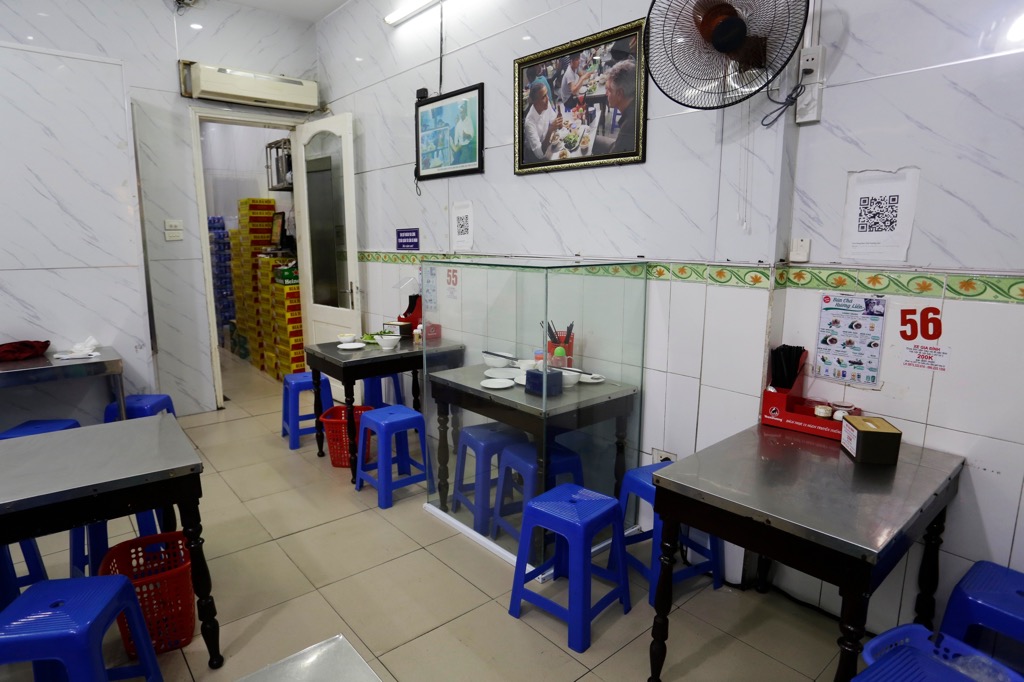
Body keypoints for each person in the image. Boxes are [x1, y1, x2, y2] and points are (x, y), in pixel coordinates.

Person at [593, 59, 637, 155]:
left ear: (619, 94)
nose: (606, 94)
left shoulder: (629, 126)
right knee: (593, 140)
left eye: (609, 90)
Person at [523, 81, 563, 162]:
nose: (548, 99)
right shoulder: (529, 122)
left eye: (547, 94)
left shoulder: (546, 104)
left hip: (546, 143)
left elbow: (553, 120)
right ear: (535, 102)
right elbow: (539, 154)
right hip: (534, 156)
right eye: (543, 97)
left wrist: (558, 122)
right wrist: (550, 129)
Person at [450, 99, 476, 165]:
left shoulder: (468, 120)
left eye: (462, 112)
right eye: (460, 112)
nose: (461, 114)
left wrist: (466, 135)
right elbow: (456, 136)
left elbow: (471, 134)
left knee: (463, 161)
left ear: (464, 111)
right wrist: (455, 144)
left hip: (466, 147)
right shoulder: (458, 124)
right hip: (459, 148)